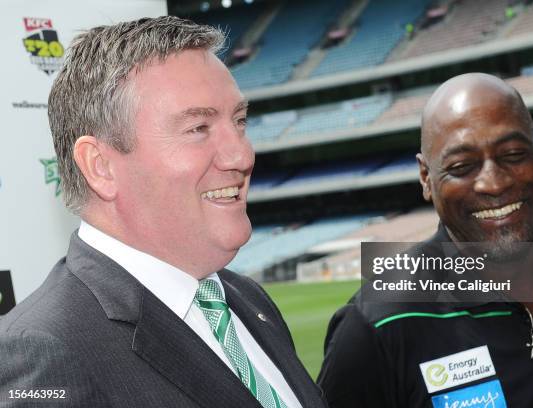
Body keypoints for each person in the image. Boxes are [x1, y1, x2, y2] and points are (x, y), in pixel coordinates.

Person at [0, 16, 326, 408]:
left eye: (239, 121)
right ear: (100, 166)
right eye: (198, 128)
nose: (242, 154)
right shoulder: (43, 351)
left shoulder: (245, 297)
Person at [318, 73, 533, 408]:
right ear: (426, 178)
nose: (494, 183)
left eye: (513, 154)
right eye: (461, 166)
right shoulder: (376, 325)